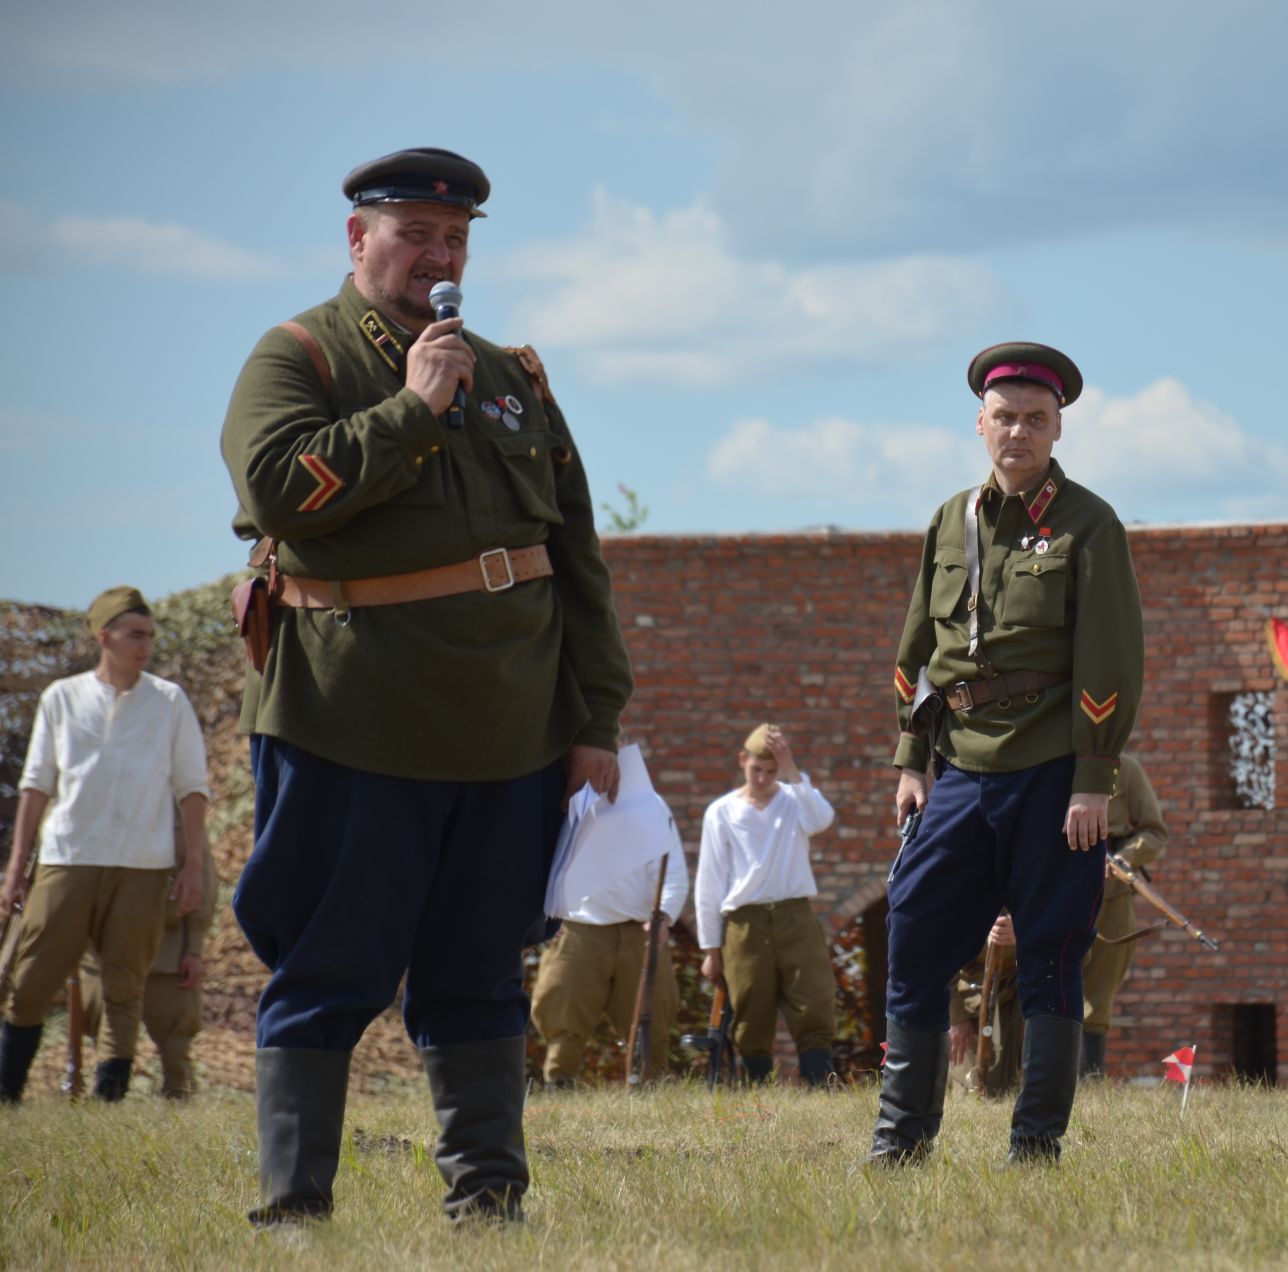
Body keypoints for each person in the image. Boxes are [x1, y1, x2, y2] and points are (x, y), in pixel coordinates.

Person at [218, 148, 632, 1224]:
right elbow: (275, 489)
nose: (438, 257)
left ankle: (488, 1201)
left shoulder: (513, 377)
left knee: (481, 973)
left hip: (509, 735)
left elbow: (574, 558)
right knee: (327, 966)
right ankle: (295, 1208)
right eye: (415, 235)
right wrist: (409, 410)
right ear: (360, 240)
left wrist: (595, 718)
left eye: (455, 240)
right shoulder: (299, 355)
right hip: (355, 727)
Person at [874, 341, 1144, 1166]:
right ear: (980, 425)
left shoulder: (1088, 523)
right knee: (913, 933)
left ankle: (1036, 1148)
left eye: (1035, 418)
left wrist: (1093, 780)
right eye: (1004, 418)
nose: (1018, 432)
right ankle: (900, 1143)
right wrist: (910, 759)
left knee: (1053, 956)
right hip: (959, 768)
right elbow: (920, 646)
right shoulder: (949, 520)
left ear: (1058, 427)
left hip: (1052, 773)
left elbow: (1111, 658)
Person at [0, 586, 208, 1103]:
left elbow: (193, 789)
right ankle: (7, 1094)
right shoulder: (62, 698)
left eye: (151, 636)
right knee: (31, 979)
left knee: (125, 986)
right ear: (104, 636)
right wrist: (16, 867)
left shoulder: (168, 701)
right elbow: (37, 785)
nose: (145, 645)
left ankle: (107, 1102)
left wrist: (193, 868)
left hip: (144, 863)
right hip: (68, 857)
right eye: (135, 634)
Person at [694, 724, 838, 1086]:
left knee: (813, 997)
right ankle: (757, 1087)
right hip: (745, 921)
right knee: (749, 1004)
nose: (763, 778)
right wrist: (711, 948)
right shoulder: (721, 812)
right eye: (757, 769)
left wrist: (792, 771)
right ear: (742, 761)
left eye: (771, 771)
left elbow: (822, 819)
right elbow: (709, 881)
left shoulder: (793, 799)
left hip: (795, 914)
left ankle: (818, 1084)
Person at [530, 823, 687, 1086]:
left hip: (638, 930)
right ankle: (559, 1086)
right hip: (579, 928)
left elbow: (671, 867)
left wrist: (664, 914)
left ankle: (651, 1089)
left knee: (652, 1016)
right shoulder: (572, 801)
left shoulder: (650, 808)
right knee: (564, 1014)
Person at [79, 836, 219, 1099]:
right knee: (105, 1038)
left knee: (176, 1047)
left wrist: (193, 950)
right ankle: (104, 1105)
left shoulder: (179, 814)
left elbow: (201, 882)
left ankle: (181, 1106)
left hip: (166, 952)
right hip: (104, 952)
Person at [1079, 753, 1168, 1077]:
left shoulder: (1126, 768)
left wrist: (1123, 858)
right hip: (1053, 888)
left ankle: (1088, 1082)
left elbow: (1154, 833)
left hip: (1110, 894)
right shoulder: (1044, 759)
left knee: (1097, 997)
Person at [949, 914, 1022, 1096]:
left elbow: (1081, 953)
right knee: (972, 1095)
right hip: (971, 1003)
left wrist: (1026, 930)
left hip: (1023, 1002)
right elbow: (941, 954)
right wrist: (956, 1017)